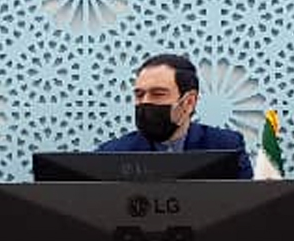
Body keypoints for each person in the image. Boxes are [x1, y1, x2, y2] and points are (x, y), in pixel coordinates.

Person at [97, 53, 253, 179]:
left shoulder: (226, 148)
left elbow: (247, 203)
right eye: (139, 95)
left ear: (189, 102)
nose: (145, 102)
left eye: (158, 94)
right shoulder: (111, 155)